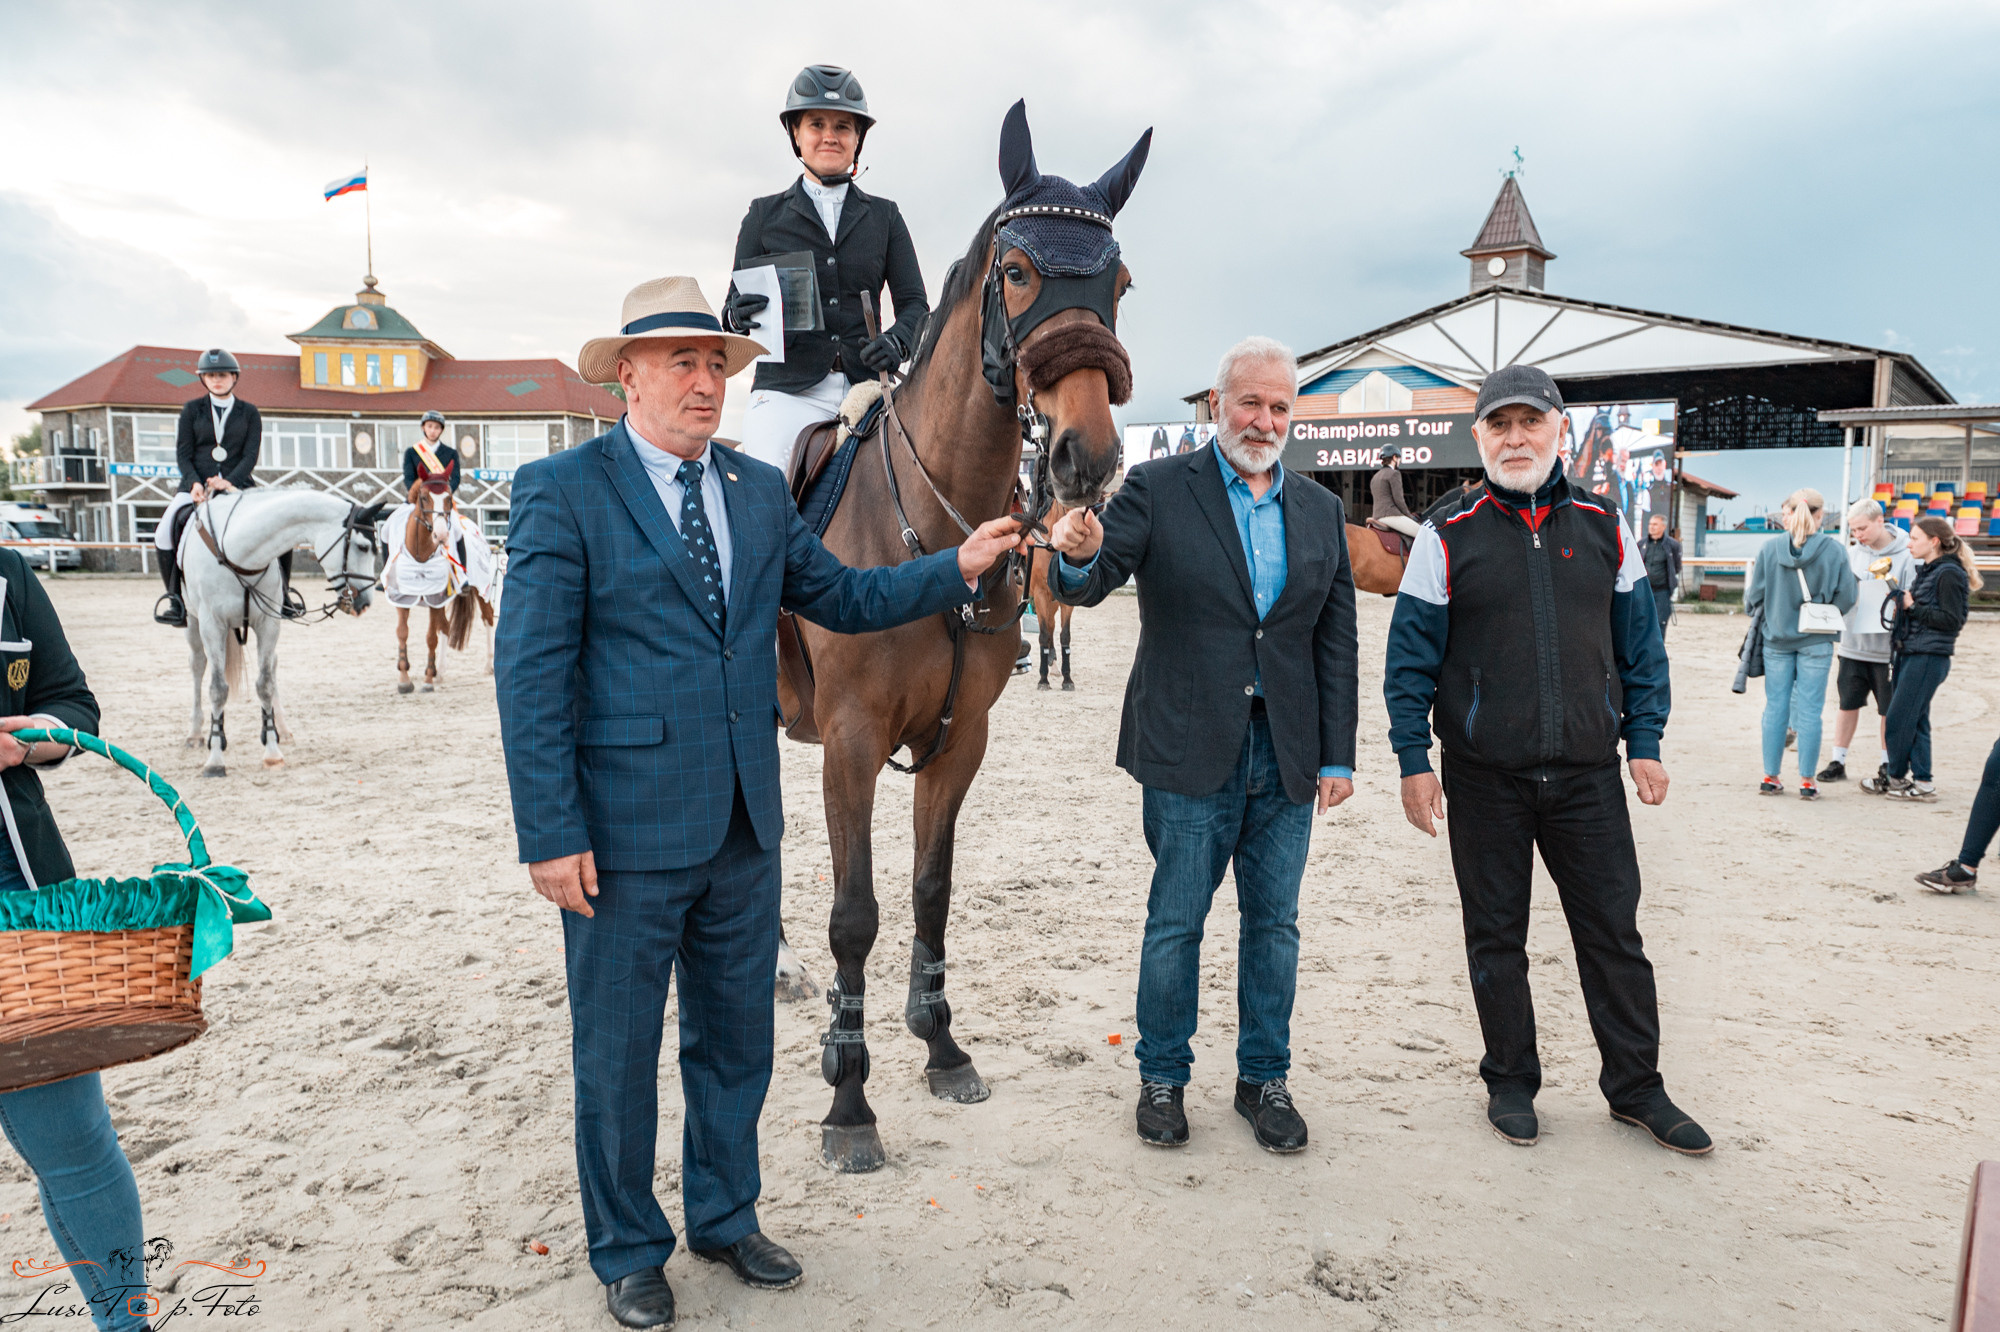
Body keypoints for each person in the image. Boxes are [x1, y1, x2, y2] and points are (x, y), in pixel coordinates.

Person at [494, 276, 1025, 1330]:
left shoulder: (752, 489)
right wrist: (549, 833)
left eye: (717, 366)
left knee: (734, 1044)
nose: (706, 382)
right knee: (617, 1053)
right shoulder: (563, 491)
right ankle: (629, 1248)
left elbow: (842, 598)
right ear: (628, 378)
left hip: (743, 823)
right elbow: (529, 674)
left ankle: (725, 1217)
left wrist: (950, 567)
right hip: (619, 835)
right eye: (682, 364)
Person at [1384, 363, 1709, 1157]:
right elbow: (1409, 662)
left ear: (1559, 430)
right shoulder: (1446, 534)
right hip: (1483, 777)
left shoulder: (1607, 524)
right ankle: (1510, 1080)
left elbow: (1641, 649)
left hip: (1589, 776)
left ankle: (1637, 1088)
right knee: (1495, 934)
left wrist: (1647, 743)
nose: (1516, 437)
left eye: (1531, 423)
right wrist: (1411, 758)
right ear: (1479, 437)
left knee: (1613, 933)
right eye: (1500, 425)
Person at [1046, 335, 1358, 1155]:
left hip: (1286, 753)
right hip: (1187, 750)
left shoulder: (1322, 511)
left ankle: (1264, 1080)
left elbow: (1335, 642)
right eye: (1250, 402)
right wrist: (1073, 559)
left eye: (1281, 406)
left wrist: (1337, 755)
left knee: (1275, 927)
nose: (1265, 419)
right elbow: (1094, 575)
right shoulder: (1156, 488)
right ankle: (1163, 1078)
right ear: (1218, 405)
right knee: (1176, 921)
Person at [0, 542, 152, 1332]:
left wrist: (28, 740)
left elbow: (73, 706)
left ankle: (126, 1327)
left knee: (75, 1143)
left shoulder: (9, 573)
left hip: (20, 898)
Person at [722, 65, 927, 473]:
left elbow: (915, 305)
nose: (830, 135)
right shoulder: (763, 216)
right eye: (817, 124)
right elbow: (730, 312)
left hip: (869, 386)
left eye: (843, 126)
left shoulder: (885, 217)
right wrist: (737, 314)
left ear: (857, 140)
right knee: (769, 484)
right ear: (796, 134)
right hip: (788, 393)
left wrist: (898, 343)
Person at [153, 348, 300, 625]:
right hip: (196, 487)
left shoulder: (249, 413)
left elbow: (250, 455)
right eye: (210, 375)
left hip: (238, 485)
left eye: (222, 375)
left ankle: (285, 595)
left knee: (279, 526)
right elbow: (183, 454)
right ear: (203, 379)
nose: (216, 380)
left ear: (234, 377)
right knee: (163, 531)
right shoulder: (191, 411)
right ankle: (174, 600)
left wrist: (229, 480)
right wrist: (195, 482)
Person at [1743, 488, 1856, 799]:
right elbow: (1848, 597)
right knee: (1810, 712)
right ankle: (1807, 780)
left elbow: (1753, 598)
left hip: (1776, 638)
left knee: (1775, 708)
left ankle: (1770, 776)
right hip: (1817, 641)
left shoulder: (1769, 549)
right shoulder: (1834, 551)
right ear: (1820, 515)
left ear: (1791, 512)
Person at [1862, 515, 1980, 802]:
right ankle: (1921, 781)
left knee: (1899, 718)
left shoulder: (1948, 573)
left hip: (1928, 655)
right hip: (1913, 651)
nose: (1909, 543)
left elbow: (1953, 620)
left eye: (1915, 538)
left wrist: (1911, 607)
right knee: (1916, 718)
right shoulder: (1931, 570)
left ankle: (1898, 777)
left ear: (1934, 541)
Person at [1819, 499, 1914, 784]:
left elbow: (1912, 595)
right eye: (1853, 530)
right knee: (1847, 703)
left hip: (1888, 648)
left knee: (1888, 709)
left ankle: (1887, 763)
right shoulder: (1851, 554)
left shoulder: (1907, 553)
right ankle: (1838, 760)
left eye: (1862, 528)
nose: (1857, 534)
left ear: (1879, 520)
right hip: (1853, 643)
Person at [1638, 513, 1682, 634]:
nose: (1652, 527)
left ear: (1663, 527)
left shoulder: (1673, 545)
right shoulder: (1641, 544)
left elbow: (1676, 567)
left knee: (1659, 625)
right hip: (1644, 591)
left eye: (1655, 524)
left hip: (1662, 592)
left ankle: (1657, 652)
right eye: (1650, 524)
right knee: (1641, 624)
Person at [401, 410, 461, 494]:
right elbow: (408, 478)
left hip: (442, 496)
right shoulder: (411, 452)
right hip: (419, 497)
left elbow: (455, 478)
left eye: (437, 427)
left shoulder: (451, 453)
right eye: (429, 426)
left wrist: (446, 491)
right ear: (423, 427)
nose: (433, 431)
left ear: (441, 430)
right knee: (402, 508)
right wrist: (418, 493)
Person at [1369, 451, 1421, 540]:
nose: (1399, 461)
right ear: (1394, 457)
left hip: (1376, 516)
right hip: (1391, 515)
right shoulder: (1394, 474)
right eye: (1399, 458)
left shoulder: (1375, 476)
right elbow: (1399, 500)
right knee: (1423, 533)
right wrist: (1409, 516)